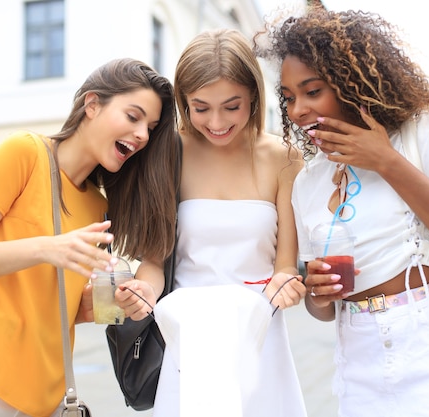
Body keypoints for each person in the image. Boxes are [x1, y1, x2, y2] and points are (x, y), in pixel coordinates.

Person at [254, 7, 429, 417]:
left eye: (312, 91)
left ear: (348, 83)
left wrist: (385, 161)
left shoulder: (420, 133)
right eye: (289, 97)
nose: (297, 110)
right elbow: (322, 310)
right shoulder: (307, 182)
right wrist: (318, 292)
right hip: (358, 366)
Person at [0, 58, 179, 417]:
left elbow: (71, 308)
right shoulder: (24, 152)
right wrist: (47, 248)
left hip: (44, 398)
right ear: (92, 104)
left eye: (149, 127)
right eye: (133, 117)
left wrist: (122, 300)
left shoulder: (98, 207)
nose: (143, 136)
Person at [151, 29, 308, 417]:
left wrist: (288, 283)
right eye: (200, 108)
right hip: (189, 339)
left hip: (259, 332)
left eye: (231, 106)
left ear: (254, 96)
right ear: (183, 101)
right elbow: (153, 256)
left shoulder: (283, 157)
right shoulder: (168, 152)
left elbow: (285, 266)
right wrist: (140, 286)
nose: (217, 122)